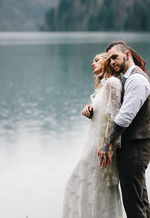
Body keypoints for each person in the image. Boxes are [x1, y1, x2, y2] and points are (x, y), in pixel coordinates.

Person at [61, 53, 123, 218]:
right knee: (85, 187)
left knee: (94, 188)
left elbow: (114, 118)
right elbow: (104, 112)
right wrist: (91, 111)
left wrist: (108, 146)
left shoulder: (113, 83)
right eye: (92, 62)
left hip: (100, 146)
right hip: (91, 143)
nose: (92, 64)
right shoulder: (102, 86)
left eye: (96, 60)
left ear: (107, 61)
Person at [98, 40, 150, 218]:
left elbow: (124, 118)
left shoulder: (137, 79)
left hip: (136, 148)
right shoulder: (127, 79)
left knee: (133, 205)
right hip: (133, 148)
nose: (112, 62)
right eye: (109, 59)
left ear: (127, 55)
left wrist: (107, 143)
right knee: (140, 201)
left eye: (115, 57)